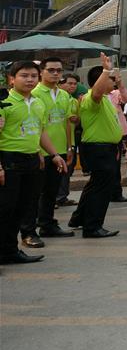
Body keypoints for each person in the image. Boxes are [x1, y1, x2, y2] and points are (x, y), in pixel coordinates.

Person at [0, 61, 67, 264]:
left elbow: (41, 131)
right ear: (12, 79)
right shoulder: (4, 103)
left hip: (31, 161)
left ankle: (10, 252)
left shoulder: (37, 103)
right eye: (24, 75)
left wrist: (54, 154)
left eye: (33, 76)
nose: (29, 79)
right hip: (9, 160)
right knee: (4, 210)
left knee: (21, 208)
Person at [20, 57, 75, 245]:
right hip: (40, 151)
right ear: (41, 72)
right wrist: (37, 150)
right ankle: (30, 230)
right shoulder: (34, 93)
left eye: (59, 70)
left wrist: (69, 147)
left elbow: (67, 122)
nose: (55, 74)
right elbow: (35, 126)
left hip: (58, 150)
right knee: (35, 193)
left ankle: (48, 223)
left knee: (52, 190)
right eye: (51, 70)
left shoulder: (64, 95)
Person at [67, 55, 122, 238]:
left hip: (104, 148)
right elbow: (96, 92)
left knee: (95, 186)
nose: (114, 82)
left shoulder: (105, 98)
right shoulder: (93, 97)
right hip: (99, 149)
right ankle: (93, 227)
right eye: (110, 79)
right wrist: (106, 70)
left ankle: (80, 218)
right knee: (101, 189)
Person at [56, 73, 82, 208]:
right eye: (69, 83)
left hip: (70, 140)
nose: (72, 86)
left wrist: (76, 119)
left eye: (74, 84)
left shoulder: (74, 100)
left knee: (67, 170)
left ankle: (62, 197)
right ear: (61, 84)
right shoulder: (56, 98)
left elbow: (77, 121)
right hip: (56, 140)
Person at [107, 74, 127, 203]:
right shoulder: (95, 95)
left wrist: (120, 83)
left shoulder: (115, 93)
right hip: (103, 134)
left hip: (116, 133)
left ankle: (116, 193)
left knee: (116, 165)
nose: (112, 84)